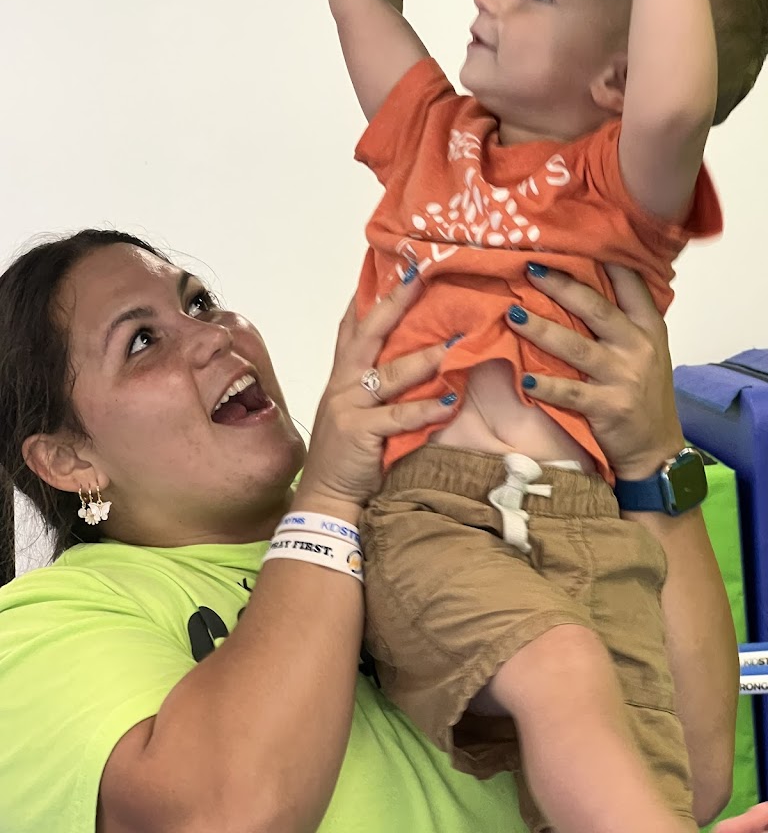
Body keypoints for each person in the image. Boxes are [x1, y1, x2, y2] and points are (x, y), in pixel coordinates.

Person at [326, 0, 768, 832]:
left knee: (649, 781)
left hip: (592, 528)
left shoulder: (622, 191)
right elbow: (363, 3)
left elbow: (672, 108)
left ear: (617, 77)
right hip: (436, 515)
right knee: (563, 669)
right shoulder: (429, 136)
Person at [0, 230, 736, 832]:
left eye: (200, 302)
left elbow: (688, 771)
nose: (213, 337)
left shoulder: (423, 512)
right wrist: (326, 500)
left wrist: (650, 458)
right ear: (68, 460)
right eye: (140, 342)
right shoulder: (42, 627)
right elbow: (219, 817)